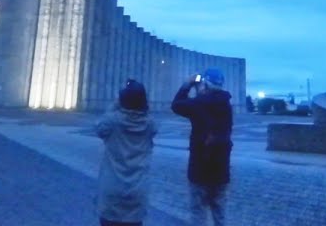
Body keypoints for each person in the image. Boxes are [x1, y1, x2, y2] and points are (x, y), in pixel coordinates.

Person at [172, 68, 233, 226]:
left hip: (200, 169)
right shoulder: (226, 105)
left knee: (198, 213)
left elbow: (176, 105)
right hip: (221, 169)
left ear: (205, 85)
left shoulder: (199, 104)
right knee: (220, 214)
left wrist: (188, 85)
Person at [94, 79, 157, 226]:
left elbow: (99, 127)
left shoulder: (112, 121)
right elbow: (149, 119)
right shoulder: (149, 124)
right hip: (138, 188)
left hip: (112, 187)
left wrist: (115, 104)